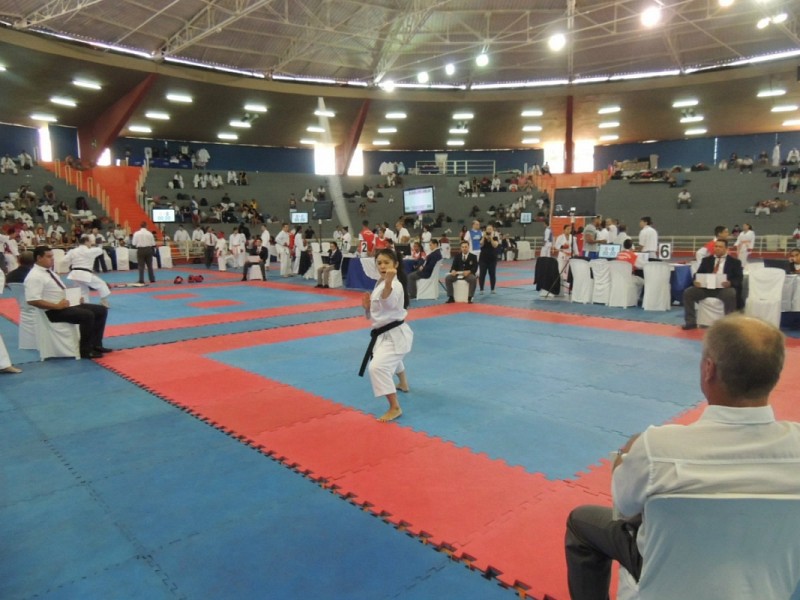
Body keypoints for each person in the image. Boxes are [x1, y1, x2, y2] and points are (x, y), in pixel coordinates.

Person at [565, 315, 799, 600]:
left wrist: (626, 456)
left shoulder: (657, 448)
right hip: (766, 585)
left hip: (665, 580)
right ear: (775, 376)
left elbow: (623, 509)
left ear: (709, 369)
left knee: (581, 523)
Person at [24, 246, 111, 359]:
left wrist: (75, 298)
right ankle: (85, 350)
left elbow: (59, 290)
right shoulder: (34, 276)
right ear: (39, 258)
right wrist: (56, 306)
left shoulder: (50, 272)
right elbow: (32, 300)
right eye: (49, 257)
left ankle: (96, 344)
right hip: (52, 311)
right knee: (87, 315)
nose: (52, 259)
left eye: (52, 256)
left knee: (101, 310)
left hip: (64, 305)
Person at [359, 248, 413, 422]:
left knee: (377, 367)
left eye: (386, 262)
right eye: (379, 263)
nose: (382, 266)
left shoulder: (395, 285)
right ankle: (403, 383)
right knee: (390, 358)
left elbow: (388, 304)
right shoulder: (380, 282)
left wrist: (389, 283)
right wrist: (367, 307)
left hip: (396, 335)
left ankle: (394, 407)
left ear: (395, 265)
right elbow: (380, 312)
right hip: (384, 334)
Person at [682, 239, 743, 330]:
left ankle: (729, 324)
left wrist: (730, 283)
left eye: (720, 247)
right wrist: (696, 281)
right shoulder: (706, 260)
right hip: (706, 289)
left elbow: (739, 278)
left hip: (723, 289)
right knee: (688, 292)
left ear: (726, 249)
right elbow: (697, 274)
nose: (717, 248)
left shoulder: (735, 262)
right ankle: (690, 322)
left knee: (731, 293)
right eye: (716, 246)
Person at [65, 235, 111, 307]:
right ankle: (104, 301)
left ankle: (84, 304)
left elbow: (65, 260)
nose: (91, 243)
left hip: (75, 274)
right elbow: (100, 250)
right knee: (102, 284)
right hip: (85, 274)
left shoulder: (72, 251)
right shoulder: (90, 251)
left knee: (83, 290)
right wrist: (99, 243)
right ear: (86, 242)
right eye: (90, 242)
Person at [478, 224, 500, 293]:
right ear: (485, 230)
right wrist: (483, 237)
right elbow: (481, 244)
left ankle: (492, 289)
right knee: (482, 274)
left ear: (492, 230)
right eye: (488, 229)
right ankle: (481, 289)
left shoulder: (495, 237)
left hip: (492, 259)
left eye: (490, 229)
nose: (489, 230)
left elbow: (495, 245)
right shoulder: (482, 237)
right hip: (483, 259)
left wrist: (491, 238)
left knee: (492, 274)